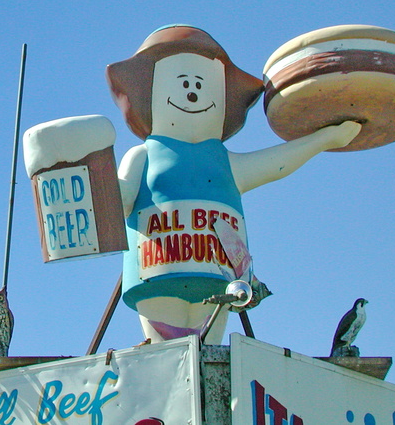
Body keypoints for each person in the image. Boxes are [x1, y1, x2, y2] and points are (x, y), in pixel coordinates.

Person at [107, 25, 360, 343]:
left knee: (208, 365)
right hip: (157, 274)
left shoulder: (225, 161)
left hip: (219, 282)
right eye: (183, 82)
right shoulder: (142, 155)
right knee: (168, 363)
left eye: (200, 83)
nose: (192, 92)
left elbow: (275, 163)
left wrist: (324, 138)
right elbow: (117, 198)